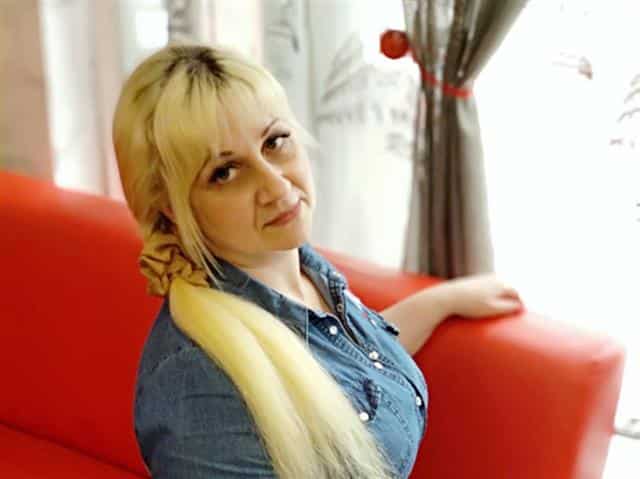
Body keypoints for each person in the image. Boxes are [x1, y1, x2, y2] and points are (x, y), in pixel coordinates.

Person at [112, 43, 523, 479]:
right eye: (225, 172)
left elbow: (347, 366)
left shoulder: (300, 269)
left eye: (275, 142)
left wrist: (443, 301)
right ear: (172, 209)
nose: (277, 185)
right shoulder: (195, 389)